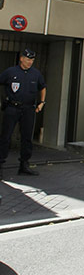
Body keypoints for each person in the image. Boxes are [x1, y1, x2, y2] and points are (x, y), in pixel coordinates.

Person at [0, 48, 46, 178]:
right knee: (6, 137)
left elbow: (42, 87)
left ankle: (24, 165)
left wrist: (42, 102)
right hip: (12, 108)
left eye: (32, 59)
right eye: (28, 59)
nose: (30, 61)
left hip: (28, 109)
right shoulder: (10, 72)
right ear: (21, 58)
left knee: (27, 138)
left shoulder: (36, 74)